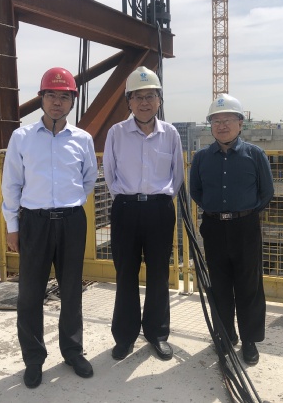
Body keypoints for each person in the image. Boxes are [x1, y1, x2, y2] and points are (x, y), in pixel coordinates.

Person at [1, 67, 98, 388]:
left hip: (71, 221)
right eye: (52, 95)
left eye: (64, 97)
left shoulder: (82, 139)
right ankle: (33, 359)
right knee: (30, 294)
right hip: (35, 222)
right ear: (41, 98)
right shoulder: (22, 138)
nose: (58, 102)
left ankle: (72, 351)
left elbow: (88, 179)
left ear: (72, 101)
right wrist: (13, 226)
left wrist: (69, 203)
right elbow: (11, 183)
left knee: (71, 291)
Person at [103, 66, 184, 361]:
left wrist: (159, 201)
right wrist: (128, 200)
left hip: (159, 209)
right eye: (137, 97)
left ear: (159, 100)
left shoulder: (170, 134)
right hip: (126, 209)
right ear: (129, 102)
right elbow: (109, 174)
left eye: (150, 96)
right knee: (125, 274)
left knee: (159, 273)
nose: (144, 102)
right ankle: (125, 336)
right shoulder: (116, 133)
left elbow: (177, 175)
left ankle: (157, 333)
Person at [189, 94, 274, 365]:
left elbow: (267, 192)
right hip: (214, 226)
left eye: (227, 119)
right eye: (216, 121)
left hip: (245, 226)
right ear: (210, 126)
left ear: (240, 123)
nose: (222, 125)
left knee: (249, 285)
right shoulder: (202, 158)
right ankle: (226, 335)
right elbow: (196, 192)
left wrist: (244, 213)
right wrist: (217, 213)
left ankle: (249, 340)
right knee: (220, 285)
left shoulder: (255, 155)